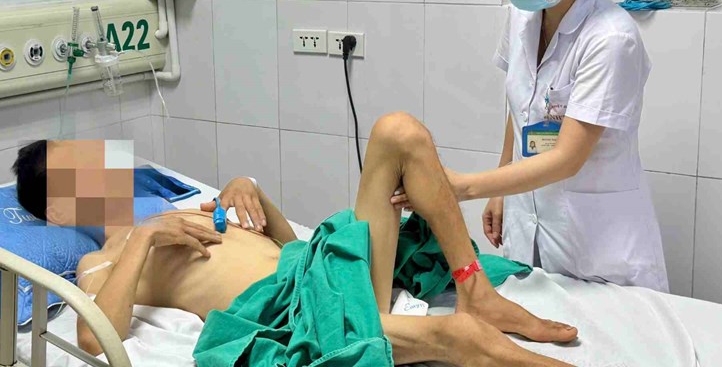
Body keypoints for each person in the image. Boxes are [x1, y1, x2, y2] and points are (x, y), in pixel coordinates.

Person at [12, 115, 577, 367]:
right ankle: (464, 334)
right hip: (300, 312)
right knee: (456, 336)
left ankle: (475, 290)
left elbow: (286, 247)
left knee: (398, 131)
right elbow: (92, 337)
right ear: (59, 209)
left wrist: (251, 193)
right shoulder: (100, 258)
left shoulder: (184, 207)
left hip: (320, 270)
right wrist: (144, 238)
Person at [392, 0, 668, 292]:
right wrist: (503, 186)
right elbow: (521, 107)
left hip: (594, 241)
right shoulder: (524, 15)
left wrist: (463, 187)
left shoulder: (611, 39)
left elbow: (567, 158)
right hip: (530, 221)